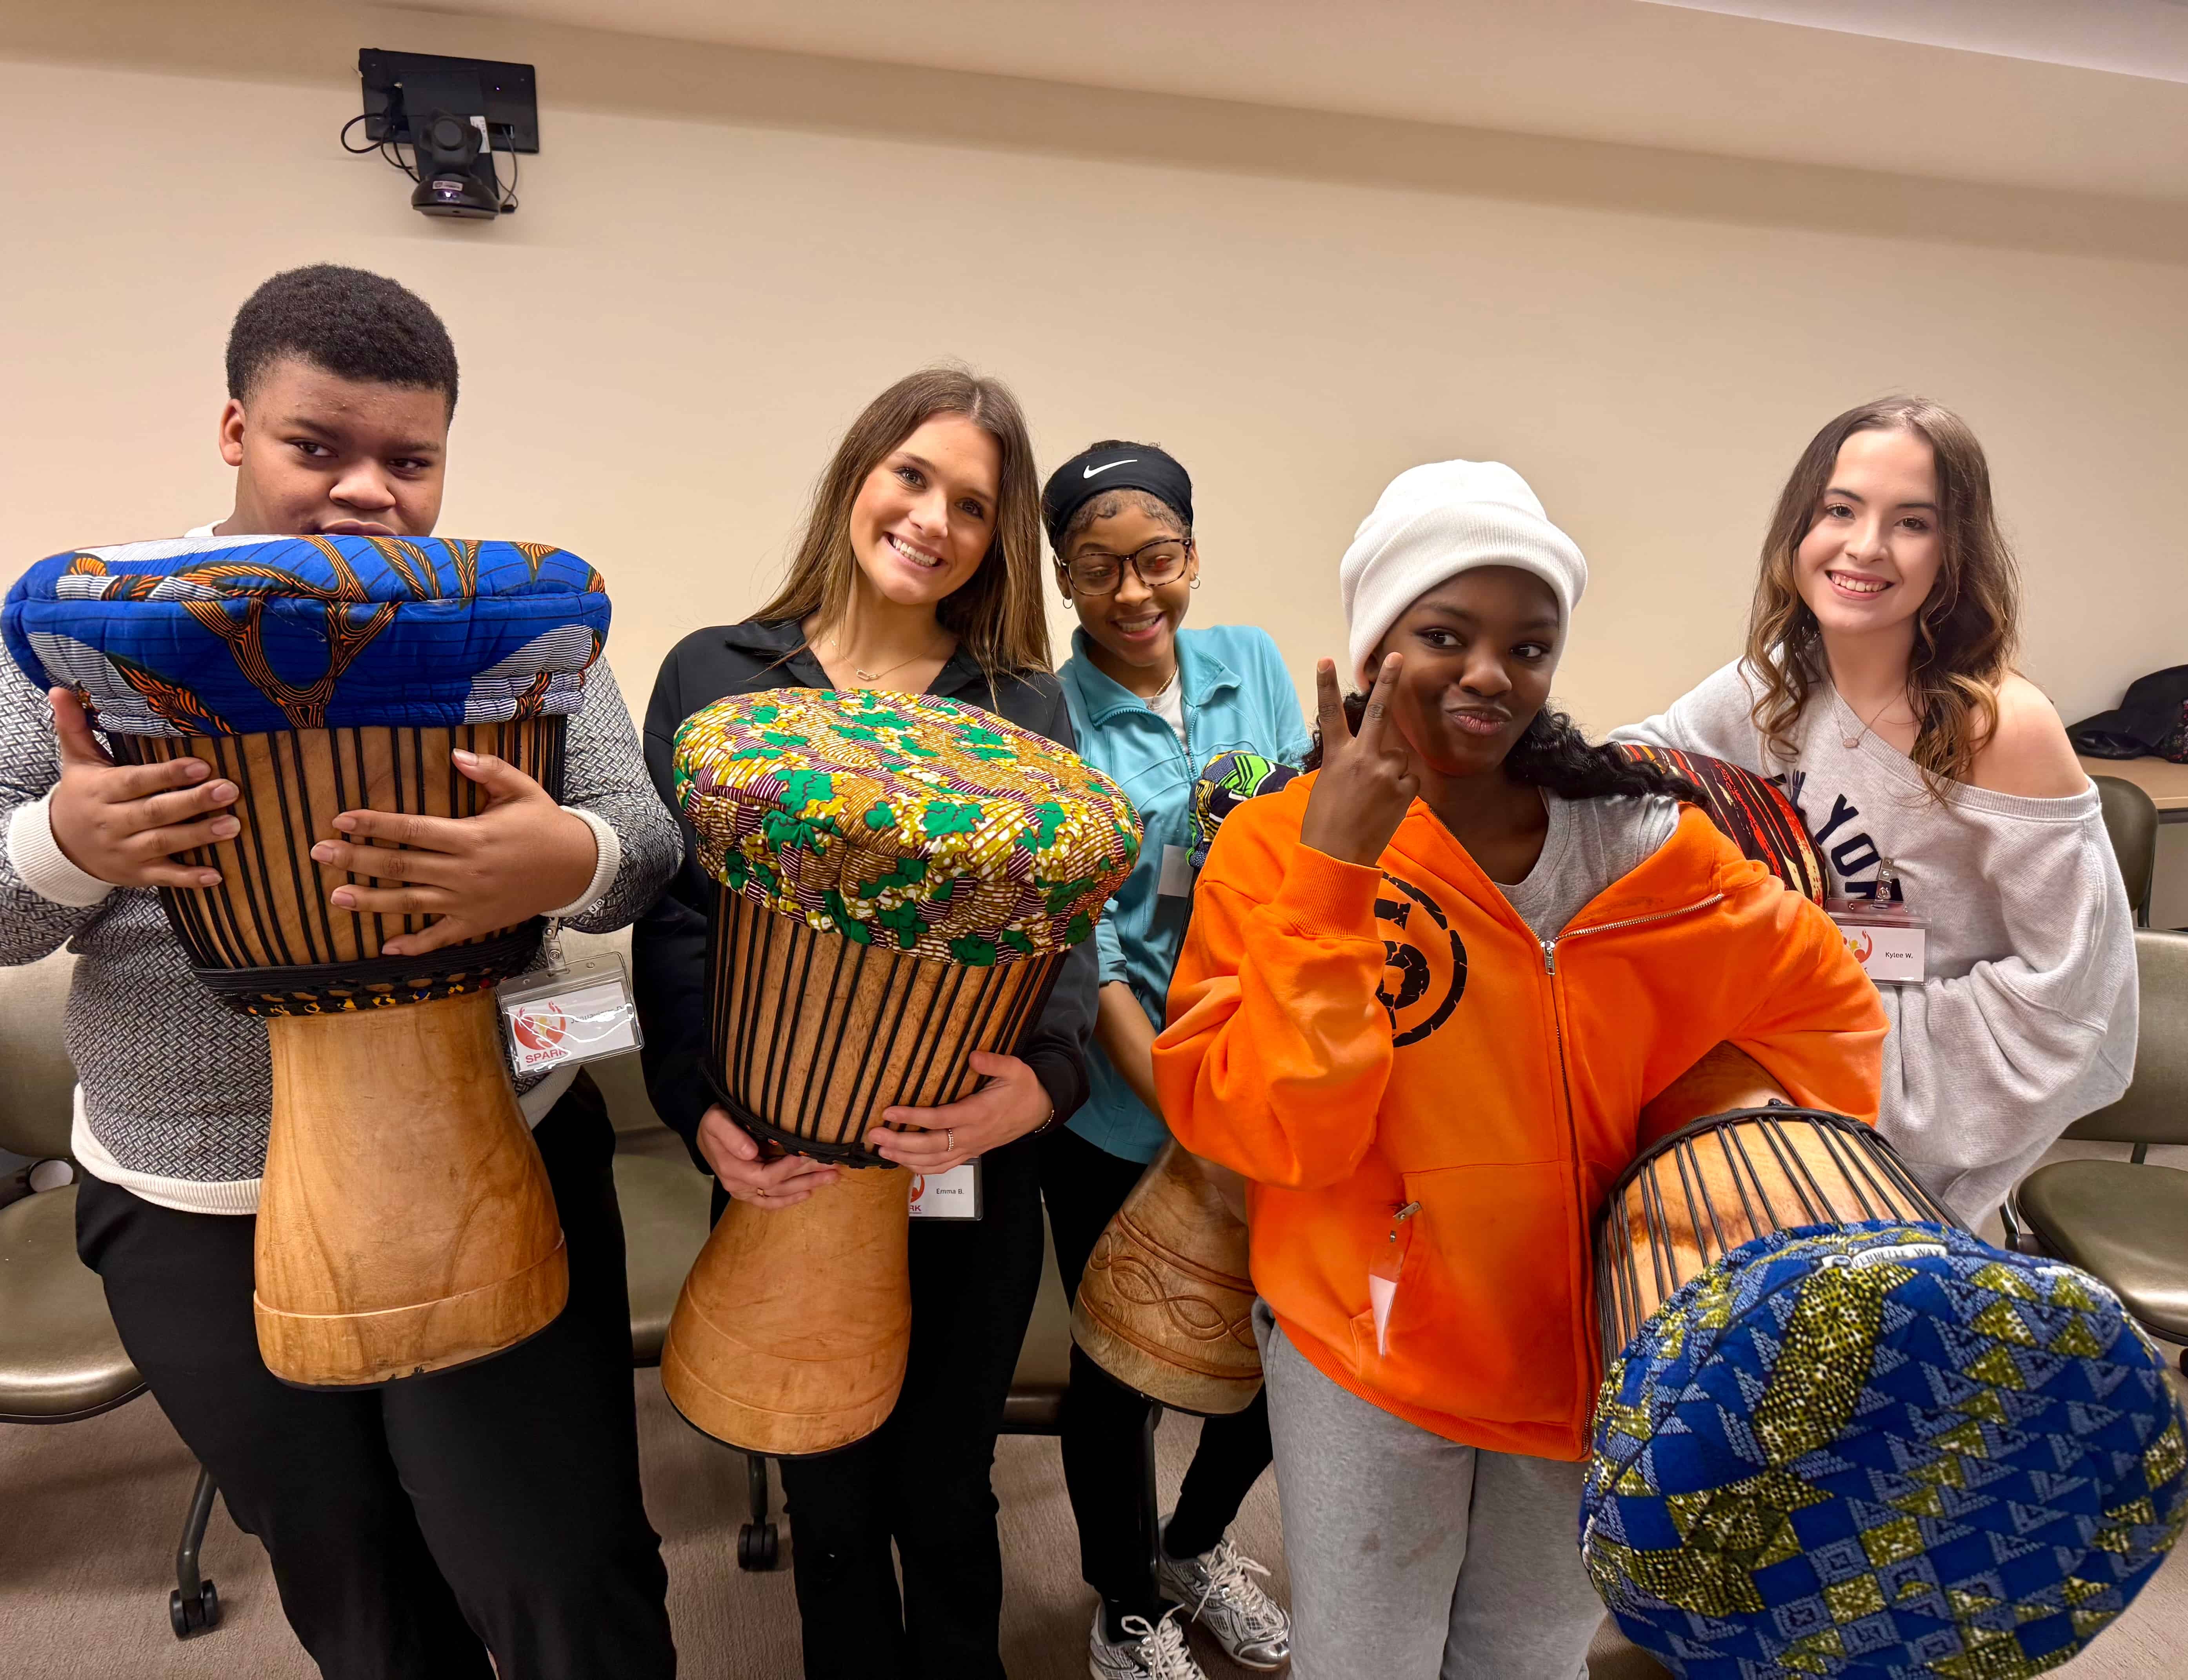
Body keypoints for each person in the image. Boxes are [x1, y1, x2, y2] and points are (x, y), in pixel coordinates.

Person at [0, 265, 679, 1677]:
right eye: (323, 446)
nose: (371, 490)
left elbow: (644, 834)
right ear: (236, 428)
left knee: (561, 1567)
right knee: (354, 1583)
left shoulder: (515, 622)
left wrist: (567, 860)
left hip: (495, 1147)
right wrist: (66, 842)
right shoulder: (87, 631)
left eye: (411, 459)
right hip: (197, 1197)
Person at [1151, 461, 1887, 1680]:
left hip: (1579, 1347)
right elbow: (1280, 1130)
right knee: (1367, 1659)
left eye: (1528, 644)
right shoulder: (1278, 846)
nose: (1491, 672)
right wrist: (1336, 873)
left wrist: (1692, 1168)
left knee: (1528, 1656)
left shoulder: (1642, 848)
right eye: (1447, 634)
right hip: (1365, 1349)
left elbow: (1825, 1013)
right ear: (1375, 645)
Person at [633, 367, 1098, 1680]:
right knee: (826, 1485)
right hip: (783, 1158)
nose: (932, 518)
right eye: (912, 475)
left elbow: (1064, 924)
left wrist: (1044, 1083)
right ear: (856, 475)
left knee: (947, 1484)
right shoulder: (719, 675)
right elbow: (677, 919)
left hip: (964, 1156)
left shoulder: (1020, 703)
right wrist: (698, 1104)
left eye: (971, 502)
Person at [1611, 396, 2137, 1228]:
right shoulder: (1783, 678)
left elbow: (2070, 1000)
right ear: (1800, 528)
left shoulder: (1999, 726)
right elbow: (1641, 765)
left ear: (1954, 552)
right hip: (1790, 1094)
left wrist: (1825, 1028)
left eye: (1912, 522)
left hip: (1907, 1150)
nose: (1865, 547)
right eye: (1841, 510)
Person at [1040, 442, 1305, 1678]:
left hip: (1266, 1085)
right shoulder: (1055, 719)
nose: (1133, 590)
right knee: (1117, 1378)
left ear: (1192, 554)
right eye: (1099, 569)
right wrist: (1187, 1109)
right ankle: (1124, 1601)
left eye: (1156, 558)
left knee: (1272, 1366)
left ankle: (1199, 1547)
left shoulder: (1250, 663)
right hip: (1124, 1105)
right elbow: (1082, 954)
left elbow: (1300, 849)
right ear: (1065, 580)